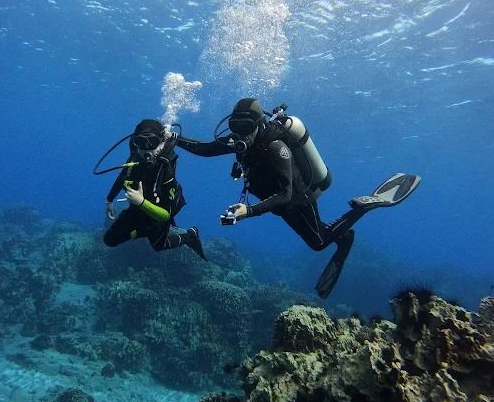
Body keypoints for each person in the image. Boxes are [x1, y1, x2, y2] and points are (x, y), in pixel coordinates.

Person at [176, 98, 420, 297]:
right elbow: (205, 149)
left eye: (246, 127)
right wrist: (174, 139)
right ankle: (342, 236)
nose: (240, 134)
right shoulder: (240, 140)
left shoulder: (276, 147)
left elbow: (286, 194)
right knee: (318, 234)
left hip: (298, 200)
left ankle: (360, 212)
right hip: (277, 204)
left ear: (259, 124)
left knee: (318, 243)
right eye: (236, 126)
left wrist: (248, 211)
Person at [103, 119, 207, 260]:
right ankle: (144, 230)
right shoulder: (135, 158)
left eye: (152, 142)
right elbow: (123, 176)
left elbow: (165, 215)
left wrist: (141, 202)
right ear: (135, 142)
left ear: (161, 143)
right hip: (137, 208)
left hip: (158, 211)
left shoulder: (166, 169)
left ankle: (190, 236)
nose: (146, 148)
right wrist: (109, 200)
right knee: (110, 240)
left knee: (159, 246)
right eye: (141, 142)